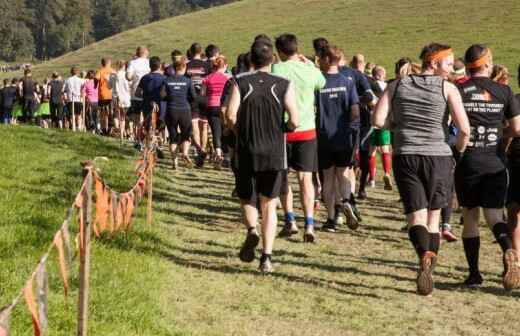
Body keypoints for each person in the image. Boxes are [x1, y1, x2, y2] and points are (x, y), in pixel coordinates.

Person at [372, 43, 470, 296]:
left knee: (415, 217)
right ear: (434, 63)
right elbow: (465, 129)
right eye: (448, 64)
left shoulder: (397, 84)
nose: (451, 69)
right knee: (434, 219)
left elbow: (377, 120)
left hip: (406, 155)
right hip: (439, 157)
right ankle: (430, 262)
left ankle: (422, 254)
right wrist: (457, 152)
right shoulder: (447, 88)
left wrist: (397, 126)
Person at [226, 39, 299, 273]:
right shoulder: (283, 84)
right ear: (272, 60)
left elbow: (229, 115)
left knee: (248, 197)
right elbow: (295, 120)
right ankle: (266, 257)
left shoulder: (239, 82)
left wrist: (240, 132)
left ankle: (251, 231)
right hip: (275, 153)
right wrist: (284, 130)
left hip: (247, 150)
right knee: (269, 204)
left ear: (251, 58)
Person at [455, 44, 520, 290]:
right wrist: (496, 132)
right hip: (495, 161)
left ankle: (474, 275)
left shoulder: (459, 89)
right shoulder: (504, 90)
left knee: (470, 218)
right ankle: (508, 250)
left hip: (468, 161)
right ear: (486, 63)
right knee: (494, 216)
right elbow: (517, 128)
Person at [272, 33, 326, 242]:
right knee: (306, 179)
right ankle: (310, 224)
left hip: (284, 130)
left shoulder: (278, 69)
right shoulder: (309, 70)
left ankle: (290, 219)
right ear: (297, 48)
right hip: (307, 130)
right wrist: (311, 65)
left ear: (280, 52)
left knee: (283, 176)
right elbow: (321, 83)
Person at [316, 45, 360, 233]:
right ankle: (347, 201)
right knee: (343, 175)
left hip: (324, 136)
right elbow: (355, 111)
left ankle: (331, 219)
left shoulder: (318, 83)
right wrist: (351, 130)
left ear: (326, 59)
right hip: (343, 137)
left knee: (327, 179)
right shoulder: (347, 81)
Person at [161, 56, 196, 169]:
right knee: (186, 135)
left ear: (173, 68)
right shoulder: (188, 81)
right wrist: (187, 100)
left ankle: (174, 162)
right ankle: (185, 153)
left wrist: (170, 98)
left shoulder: (167, 80)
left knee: (173, 137)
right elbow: (194, 96)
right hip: (185, 109)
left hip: (171, 109)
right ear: (184, 67)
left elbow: (161, 95)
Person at [202, 56, 231, 169]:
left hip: (211, 106)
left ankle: (218, 155)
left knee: (215, 132)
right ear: (224, 66)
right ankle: (227, 156)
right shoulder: (228, 77)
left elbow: (203, 93)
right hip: (225, 106)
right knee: (226, 131)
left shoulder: (207, 78)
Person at [368, 65, 393, 191]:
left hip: (371, 121)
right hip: (383, 121)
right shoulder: (387, 87)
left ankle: (371, 180)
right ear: (381, 75)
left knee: (371, 151)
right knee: (385, 149)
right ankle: (387, 174)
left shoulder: (369, 86)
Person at [186, 43, 211, 165]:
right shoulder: (207, 65)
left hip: (192, 99)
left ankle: (199, 150)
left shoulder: (187, 65)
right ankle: (204, 150)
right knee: (204, 126)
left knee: (195, 125)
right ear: (201, 52)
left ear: (190, 52)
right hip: (205, 97)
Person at [508, 68, 520, 280]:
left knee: (514, 212)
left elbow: (508, 131)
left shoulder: (514, 100)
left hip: (516, 161)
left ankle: (517, 260)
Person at [127, 46, 150, 146]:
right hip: (148, 94)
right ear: (146, 53)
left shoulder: (133, 63)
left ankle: (138, 140)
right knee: (146, 118)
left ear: (137, 53)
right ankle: (145, 139)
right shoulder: (149, 62)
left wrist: (134, 77)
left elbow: (128, 77)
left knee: (136, 118)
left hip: (135, 93)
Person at [136, 56, 166, 132]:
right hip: (161, 105)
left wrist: (146, 96)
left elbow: (137, 93)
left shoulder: (144, 78)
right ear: (160, 66)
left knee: (148, 127)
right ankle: (161, 140)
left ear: (149, 66)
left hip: (147, 105)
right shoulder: (165, 79)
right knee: (161, 126)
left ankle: (149, 140)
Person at [96, 58, 115, 134]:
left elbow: (96, 80)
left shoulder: (100, 71)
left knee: (103, 113)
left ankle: (104, 129)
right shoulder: (113, 71)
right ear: (109, 63)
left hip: (102, 94)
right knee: (111, 111)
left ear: (102, 63)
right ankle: (110, 127)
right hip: (112, 94)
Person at [114, 60, 131, 139]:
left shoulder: (117, 75)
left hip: (119, 97)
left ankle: (122, 134)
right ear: (124, 66)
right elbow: (129, 86)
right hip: (127, 97)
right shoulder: (126, 75)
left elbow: (117, 87)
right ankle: (126, 132)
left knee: (120, 116)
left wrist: (118, 97)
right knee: (126, 116)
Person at [64, 66, 84, 130]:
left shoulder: (67, 80)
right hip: (78, 99)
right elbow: (83, 88)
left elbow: (64, 89)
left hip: (70, 99)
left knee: (72, 115)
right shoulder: (81, 80)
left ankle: (73, 127)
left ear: (71, 72)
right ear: (77, 72)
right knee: (78, 115)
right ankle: (79, 127)